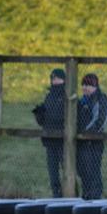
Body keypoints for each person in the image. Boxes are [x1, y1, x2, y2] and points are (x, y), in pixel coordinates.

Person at [76, 73, 107, 200]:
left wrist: (86, 133)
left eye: (89, 85)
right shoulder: (80, 102)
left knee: (93, 170)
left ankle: (95, 197)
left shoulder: (101, 100)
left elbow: (100, 121)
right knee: (83, 172)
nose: (85, 87)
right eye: (84, 84)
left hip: (93, 143)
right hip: (80, 143)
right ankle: (86, 196)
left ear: (95, 86)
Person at [33, 68, 66, 198]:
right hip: (50, 139)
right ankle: (56, 194)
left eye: (58, 78)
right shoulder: (49, 96)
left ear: (64, 80)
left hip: (64, 140)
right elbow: (43, 121)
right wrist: (39, 114)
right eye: (53, 78)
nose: (55, 81)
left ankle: (69, 193)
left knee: (67, 170)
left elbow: (66, 117)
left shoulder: (66, 95)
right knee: (53, 171)